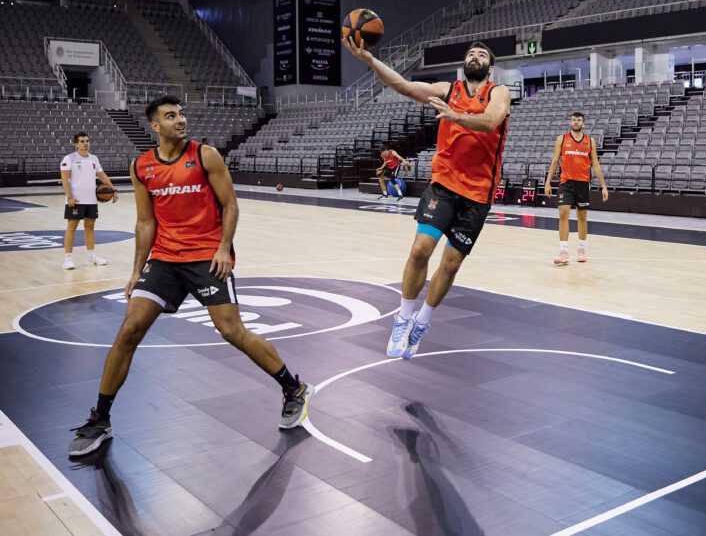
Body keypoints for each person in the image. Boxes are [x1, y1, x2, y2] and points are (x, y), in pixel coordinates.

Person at [68, 96, 312, 457]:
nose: (180, 120)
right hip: (165, 259)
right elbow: (145, 221)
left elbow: (230, 203)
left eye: (181, 114)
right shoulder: (142, 167)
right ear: (155, 125)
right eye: (171, 116)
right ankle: (100, 418)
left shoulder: (205, 155)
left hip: (206, 256)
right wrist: (136, 271)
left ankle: (293, 388)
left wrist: (223, 247)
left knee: (231, 331)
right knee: (129, 329)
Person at [342, 37, 508, 360]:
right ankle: (403, 316)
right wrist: (370, 61)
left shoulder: (499, 93)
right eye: (471, 53)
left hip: (477, 194)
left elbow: (491, 122)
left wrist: (455, 117)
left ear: (490, 66)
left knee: (451, 264)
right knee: (420, 249)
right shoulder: (449, 90)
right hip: (443, 185)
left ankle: (423, 320)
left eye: (482, 54)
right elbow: (404, 86)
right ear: (465, 63)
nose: (475, 56)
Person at [544, 112, 608, 264]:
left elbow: (596, 165)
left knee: (582, 216)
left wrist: (603, 186)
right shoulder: (562, 139)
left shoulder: (590, 141)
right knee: (563, 212)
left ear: (583, 123)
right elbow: (554, 161)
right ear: (570, 122)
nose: (576, 122)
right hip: (566, 182)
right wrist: (547, 182)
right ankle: (563, 251)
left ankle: (581, 248)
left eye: (579, 120)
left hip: (583, 183)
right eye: (574, 120)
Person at [60, 131, 118, 270]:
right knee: (72, 227)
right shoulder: (69, 159)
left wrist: (113, 190)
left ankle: (91, 255)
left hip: (91, 199)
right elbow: (65, 179)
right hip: (76, 199)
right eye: (82, 141)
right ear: (76, 144)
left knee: (90, 227)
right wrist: (69, 197)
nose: (85, 143)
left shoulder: (94, 159)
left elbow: (102, 175)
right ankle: (67, 259)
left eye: (87, 140)